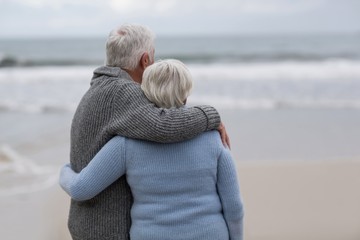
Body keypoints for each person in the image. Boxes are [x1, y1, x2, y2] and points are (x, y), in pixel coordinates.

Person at [67, 24, 229, 240]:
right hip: (107, 230)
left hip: (86, 221)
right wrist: (211, 115)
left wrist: (65, 174)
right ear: (145, 60)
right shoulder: (123, 91)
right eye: (153, 56)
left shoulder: (94, 91)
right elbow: (163, 125)